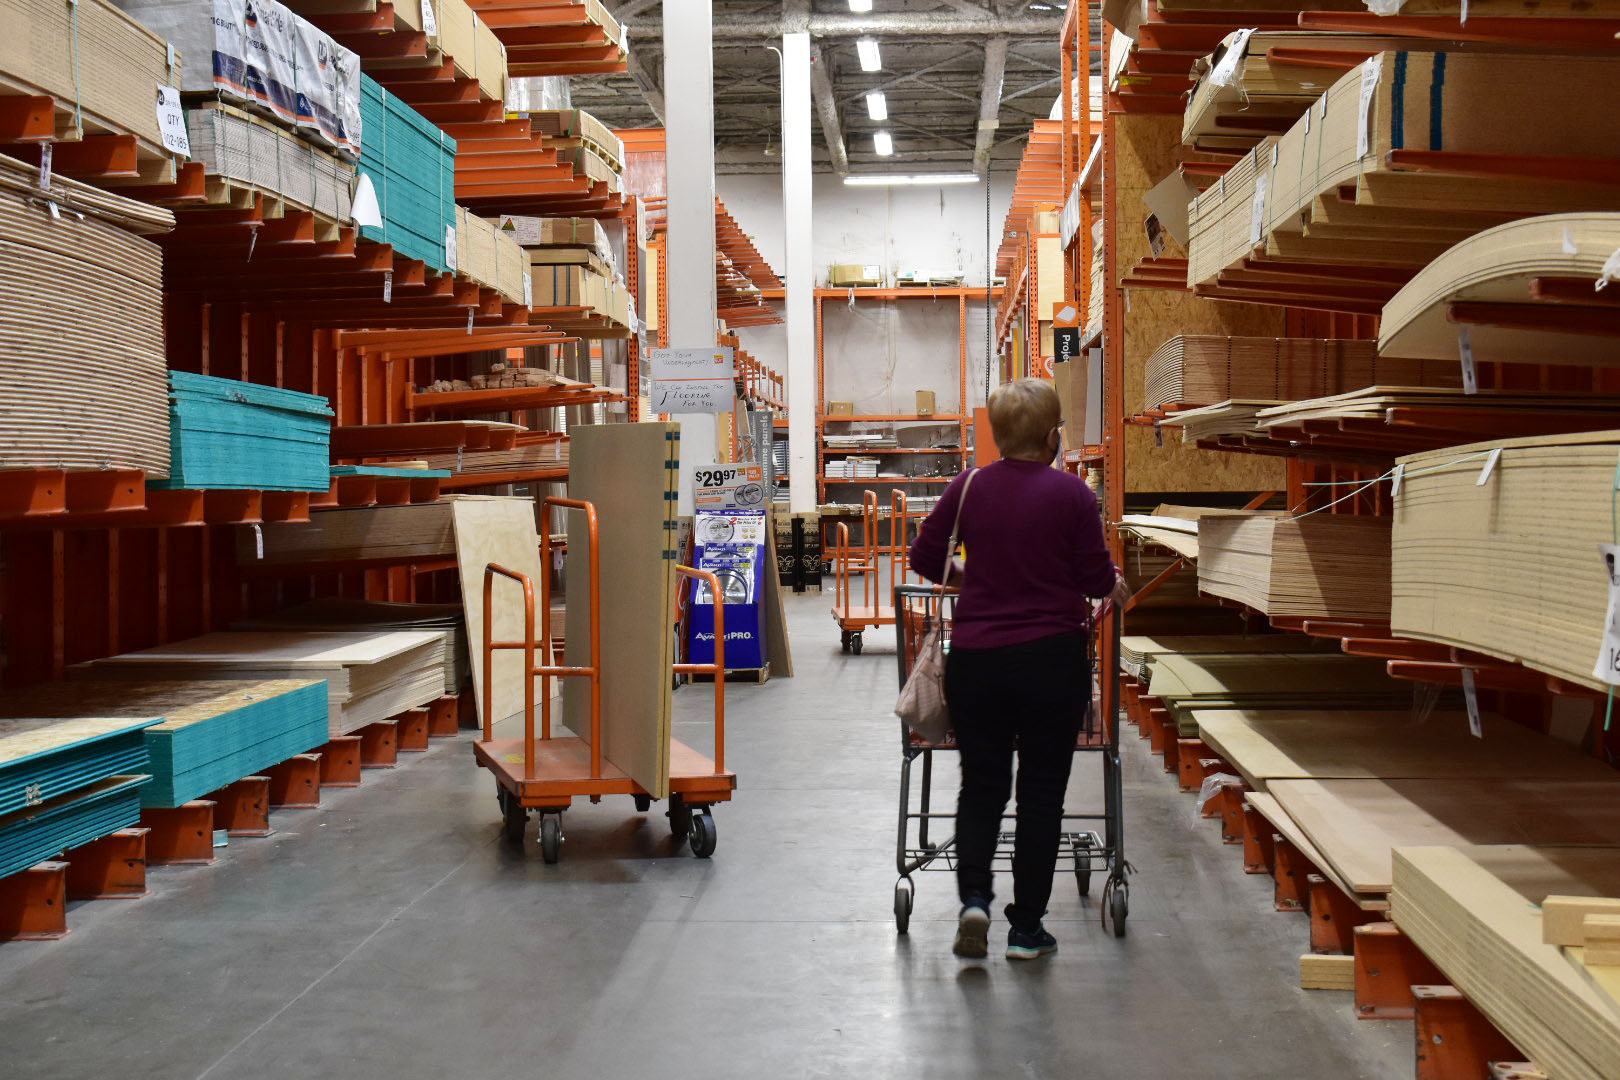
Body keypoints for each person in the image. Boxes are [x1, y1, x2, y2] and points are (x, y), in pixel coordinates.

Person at [907, 378, 1127, 961]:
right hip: (1052, 661)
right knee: (1041, 793)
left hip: (978, 661)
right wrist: (1112, 586)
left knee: (981, 785)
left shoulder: (969, 485)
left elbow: (926, 557)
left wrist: (972, 579)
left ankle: (974, 899)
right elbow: (1092, 576)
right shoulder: (1072, 494)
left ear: (997, 435)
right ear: (1054, 436)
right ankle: (1027, 928)